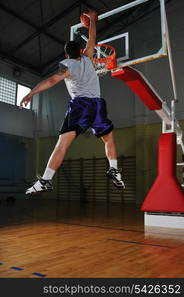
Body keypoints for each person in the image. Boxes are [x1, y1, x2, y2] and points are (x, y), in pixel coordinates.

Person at [20, 9, 125, 194]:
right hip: (98, 105)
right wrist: (93, 20)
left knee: (62, 144)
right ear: (81, 51)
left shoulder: (67, 65)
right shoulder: (88, 57)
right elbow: (92, 37)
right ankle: (114, 169)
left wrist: (31, 93)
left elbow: (52, 80)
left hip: (81, 106)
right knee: (108, 139)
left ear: (66, 55)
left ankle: (46, 180)